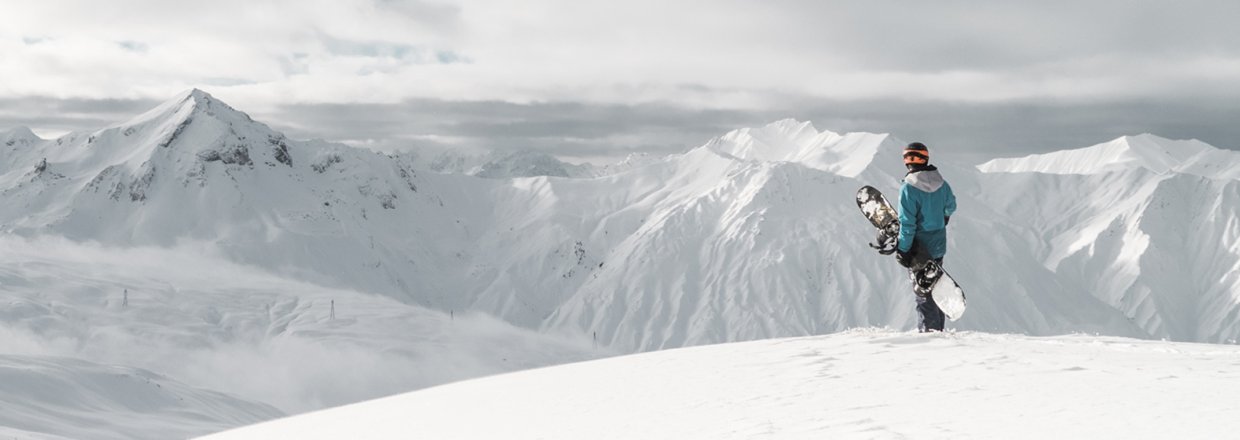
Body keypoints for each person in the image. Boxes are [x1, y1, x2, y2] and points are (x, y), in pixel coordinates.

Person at [894, 142, 956, 332]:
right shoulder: (942, 184)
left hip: (918, 248)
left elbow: (907, 224)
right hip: (938, 244)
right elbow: (951, 206)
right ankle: (938, 332)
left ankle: (929, 336)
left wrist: (903, 249)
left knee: (923, 292)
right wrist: (943, 216)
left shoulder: (908, 189)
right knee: (936, 287)